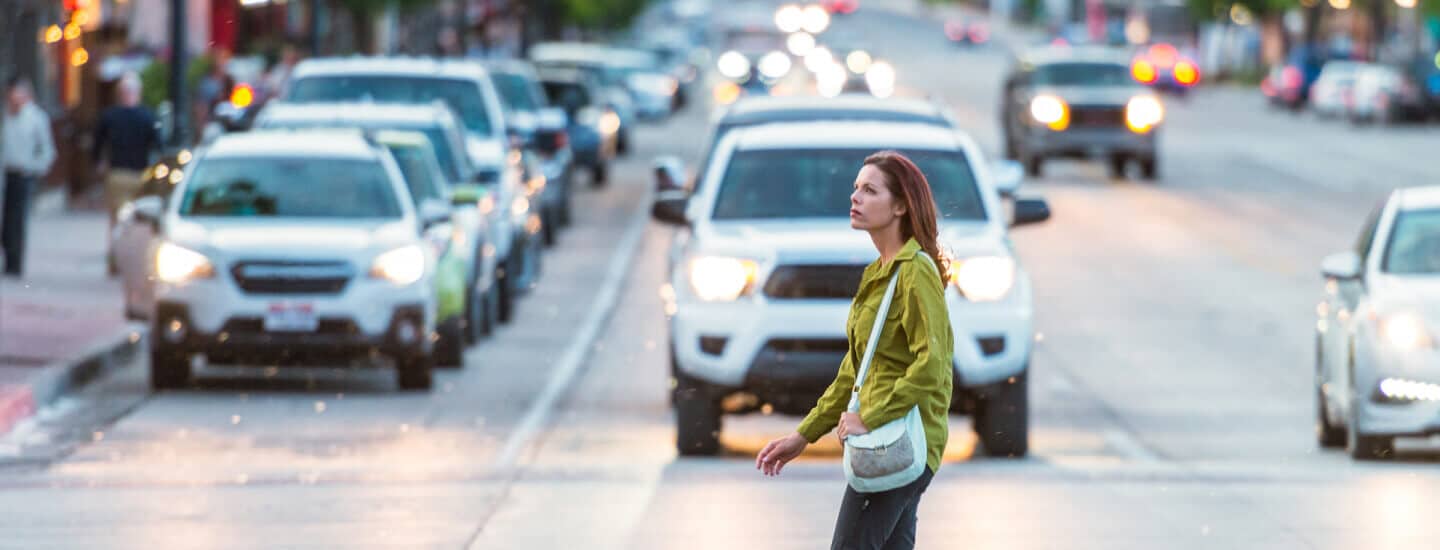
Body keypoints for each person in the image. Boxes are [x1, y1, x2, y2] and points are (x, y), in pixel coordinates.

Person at [755, 151, 954, 550]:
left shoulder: (916, 271)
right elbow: (854, 373)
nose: (855, 197)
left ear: (900, 205)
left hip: (898, 443)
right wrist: (805, 434)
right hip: (884, 441)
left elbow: (933, 364)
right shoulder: (881, 272)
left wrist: (871, 419)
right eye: (855, 188)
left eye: (869, 189)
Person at [1, 77, 56, 278]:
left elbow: (47, 150)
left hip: (23, 175)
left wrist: (35, 168)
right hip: (5, 174)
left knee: (16, 221)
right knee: (5, 221)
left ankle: (15, 264)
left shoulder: (36, 118)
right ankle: (7, 260)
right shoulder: (5, 117)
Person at [95, 73, 161, 231]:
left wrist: (98, 162)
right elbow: (159, 145)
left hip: (117, 174)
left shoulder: (109, 116)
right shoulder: (148, 117)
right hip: (141, 174)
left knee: (117, 217)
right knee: (139, 218)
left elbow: (98, 143)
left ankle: (117, 250)